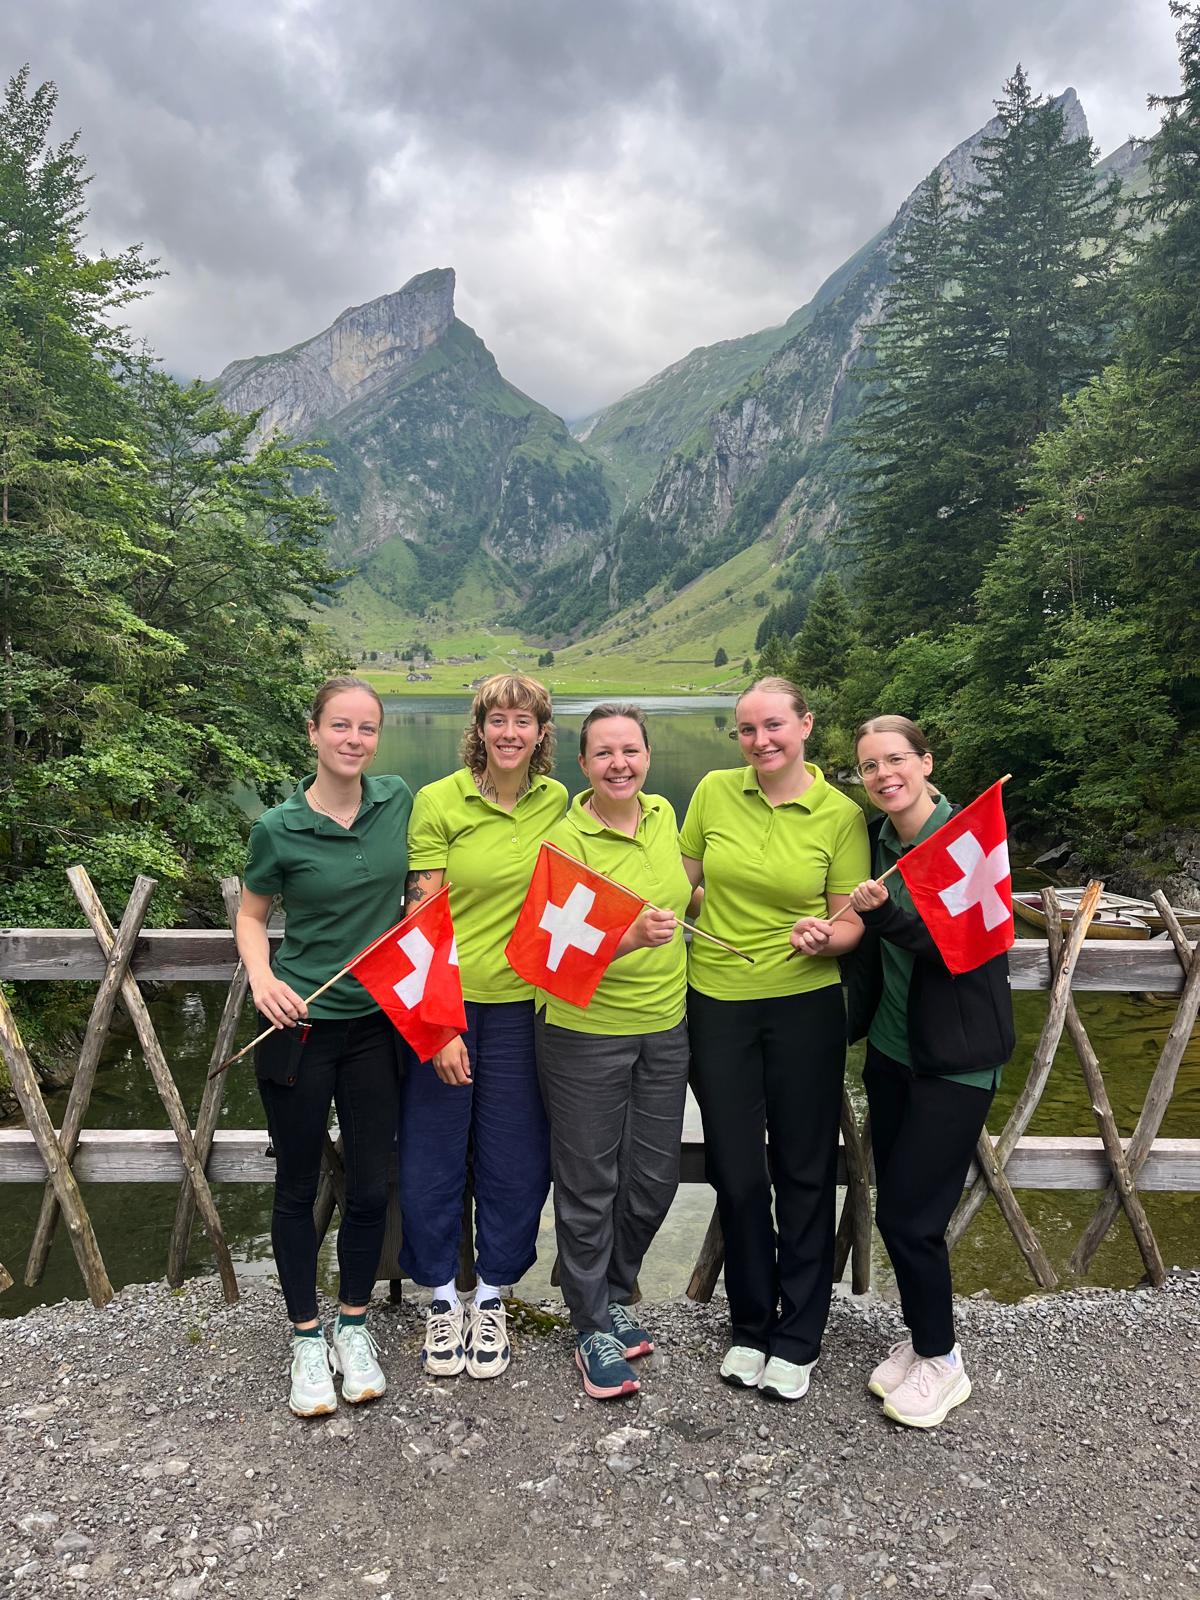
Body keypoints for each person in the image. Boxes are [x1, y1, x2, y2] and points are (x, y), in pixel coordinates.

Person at [680, 676, 870, 1401]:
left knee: (804, 1168)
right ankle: (750, 1325)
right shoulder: (712, 794)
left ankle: (800, 1334)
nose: (761, 742)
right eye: (748, 730)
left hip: (804, 1005)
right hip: (718, 1001)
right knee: (737, 1170)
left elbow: (849, 919)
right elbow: (680, 881)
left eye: (774, 727)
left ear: (806, 726)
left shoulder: (841, 814)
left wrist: (829, 938)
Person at [236, 676, 411, 1417]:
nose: (353, 740)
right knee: (298, 1185)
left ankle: (353, 1324)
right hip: (300, 1026)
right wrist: (261, 977)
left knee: (371, 1185)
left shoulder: (399, 800)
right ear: (313, 733)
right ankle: (307, 1339)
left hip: (376, 1029)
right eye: (340, 726)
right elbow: (251, 916)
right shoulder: (277, 827)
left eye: (366, 729)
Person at [845, 715, 1014, 1429]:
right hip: (890, 1054)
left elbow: (960, 949)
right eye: (869, 766)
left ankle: (944, 1363)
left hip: (956, 1060)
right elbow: (871, 949)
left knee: (914, 1218)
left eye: (895, 760)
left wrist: (881, 918)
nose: (884, 775)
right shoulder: (881, 839)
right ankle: (920, 1340)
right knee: (897, 1205)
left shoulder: (967, 841)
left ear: (925, 760)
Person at [399, 673, 566, 1380]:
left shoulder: (560, 802)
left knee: (517, 1157)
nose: (509, 732)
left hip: (527, 1009)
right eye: (497, 719)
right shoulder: (439, 801)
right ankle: (441, 1300)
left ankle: (492, 1293)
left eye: (522, 721)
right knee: (433, 1155)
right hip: (450, 1003)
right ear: (479, 728)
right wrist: (439, 1026)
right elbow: (420, 919)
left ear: (540, 733)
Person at [535, 704, 695, 1400]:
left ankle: (609, 1288)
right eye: (604, 753)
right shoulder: (566, 839)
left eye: (630, 750)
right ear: (583, 765)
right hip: (583, 1032)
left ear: (648, 757)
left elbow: (695, 888)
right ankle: (591, 1324)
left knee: (654, 1177)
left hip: (666, 1024)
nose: (619, 764)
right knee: (588, 1182)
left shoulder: (664, 816)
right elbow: (544, 954)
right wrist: (627, 938)